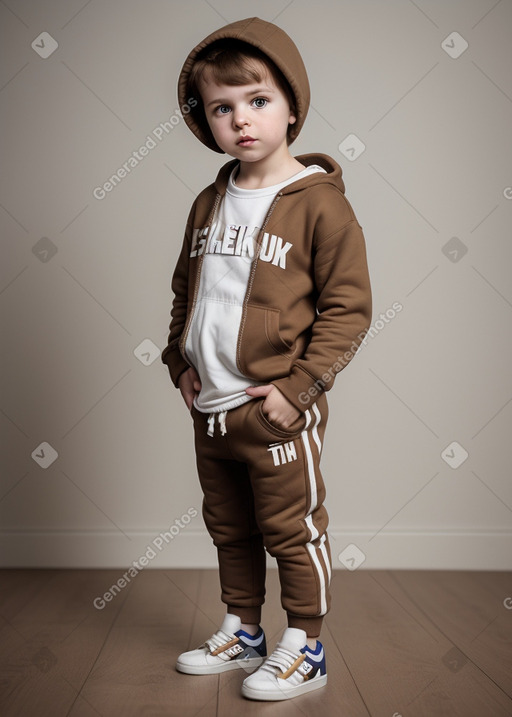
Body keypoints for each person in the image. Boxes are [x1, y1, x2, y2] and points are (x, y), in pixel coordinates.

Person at [161, 16, 372, 702]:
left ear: (290, 106)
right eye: (222, 108)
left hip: (275, 409)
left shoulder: (321, 209)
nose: (241, 120)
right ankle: (244, 627)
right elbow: (185, 292)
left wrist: (299, 389)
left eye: (257, 100)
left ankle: (305, 644)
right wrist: (179, 362)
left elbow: (349, 309)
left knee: (291, 527)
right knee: (229, 524)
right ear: (207, 121)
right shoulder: (208, 202)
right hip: (212, 409)